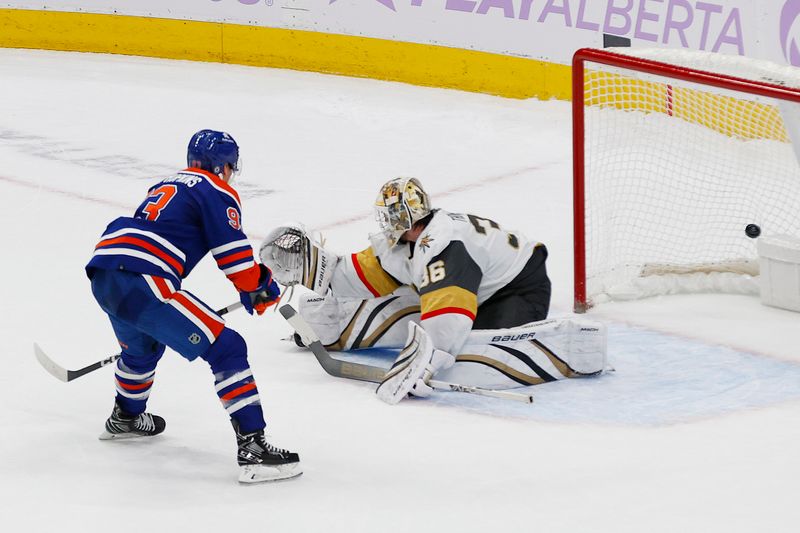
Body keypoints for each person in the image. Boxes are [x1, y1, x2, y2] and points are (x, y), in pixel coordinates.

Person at [261, 177, 606, 404]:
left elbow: (450, 317)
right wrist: (321, 271)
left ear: (401, 217)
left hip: (517, 288)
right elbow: (369, 277)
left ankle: (571, 349)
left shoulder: (443, 245)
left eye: (387, 216)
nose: (383, 224)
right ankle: (336, 324)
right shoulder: (405, 242)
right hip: (479, 289)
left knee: (468, 347)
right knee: (410, 308)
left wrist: (426, 361)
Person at [85, 129, 301, 483]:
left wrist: (250, 287)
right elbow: (235, 259)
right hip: (144, 274)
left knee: (142, 349)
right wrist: (260, 286)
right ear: (223, 166)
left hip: (105, 269)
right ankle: (254, 448)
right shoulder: (217, 190)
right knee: (228, 347)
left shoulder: (166, 184)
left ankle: (126, 416)